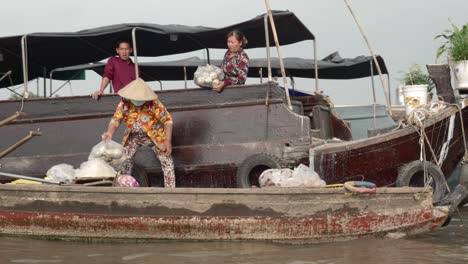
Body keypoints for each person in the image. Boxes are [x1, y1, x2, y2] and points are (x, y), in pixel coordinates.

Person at [101, 78, 175, 188]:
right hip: (133, 137)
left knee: (167, 162)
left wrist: (167, 141)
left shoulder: (154, 104)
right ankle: (123, 187)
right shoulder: (124, 104)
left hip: (156, 136)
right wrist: (110, 132)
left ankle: (170, 191)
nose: (138, 101)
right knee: (124, 161)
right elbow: (116, 119)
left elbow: (168, 121)